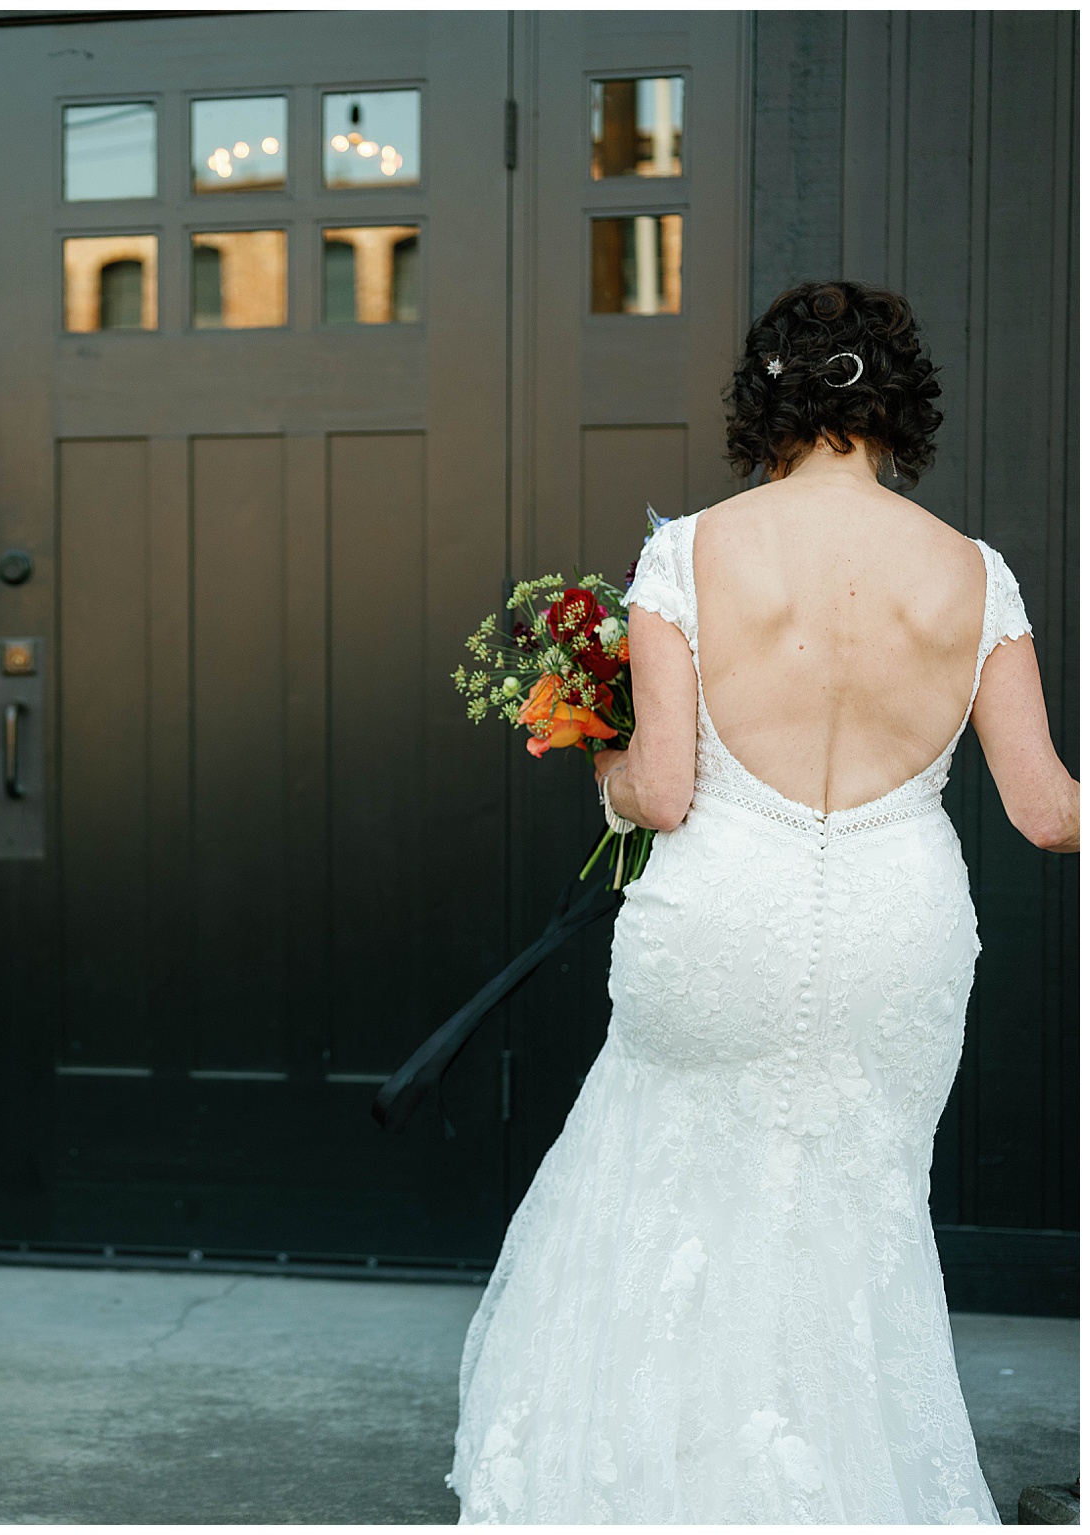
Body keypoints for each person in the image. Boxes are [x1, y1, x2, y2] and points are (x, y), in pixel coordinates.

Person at [448, 281, 1077, 1523]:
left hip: (726, 913)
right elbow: (1050, 810)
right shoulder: (976, 574)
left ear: (763, 401)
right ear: (901, 405)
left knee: (661, 1184)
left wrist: (594, 754)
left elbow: (665, 789)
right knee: (860, 1213)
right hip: (899, 929)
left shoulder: (687, 552)